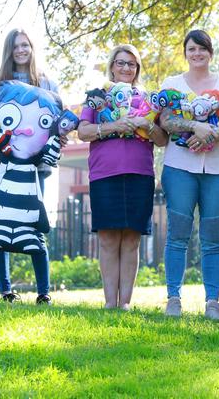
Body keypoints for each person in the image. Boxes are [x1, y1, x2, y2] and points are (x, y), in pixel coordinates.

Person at [159, 30, 219, 320]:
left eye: (202, 49)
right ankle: (173, 298)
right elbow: (165, 120)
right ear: (185, 52)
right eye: (192, 49)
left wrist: (213, 132)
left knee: (212, 237)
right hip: (180, 168)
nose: (197, 54)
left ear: (211, 53)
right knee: (178, 234)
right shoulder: (172, 84)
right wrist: (193, 127)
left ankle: (213, 302)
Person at [77, 44, 168, 310]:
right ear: (112, 66)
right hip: (105, 173)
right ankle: (109, 302)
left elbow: (162, 140)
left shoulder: (149, 100)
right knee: (107, 238)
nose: (126, 68)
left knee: (131, 238)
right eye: (121, 63)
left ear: (137, 69)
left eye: (131, 64)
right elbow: (83, 132)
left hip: (140, 173)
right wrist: (113, 126)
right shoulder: (98, 96)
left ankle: (125, 303)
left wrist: (146, 125)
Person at [0, 28, 60, 305]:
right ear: (9, 50)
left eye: (25, 45)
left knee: (34, 224)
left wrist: (51, 149)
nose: (21, 50)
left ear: (32, 47)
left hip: (34, 168)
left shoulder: (48, 85)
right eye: (15, 46)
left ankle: (44, 292)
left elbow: (57, 125)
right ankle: (6, 291)